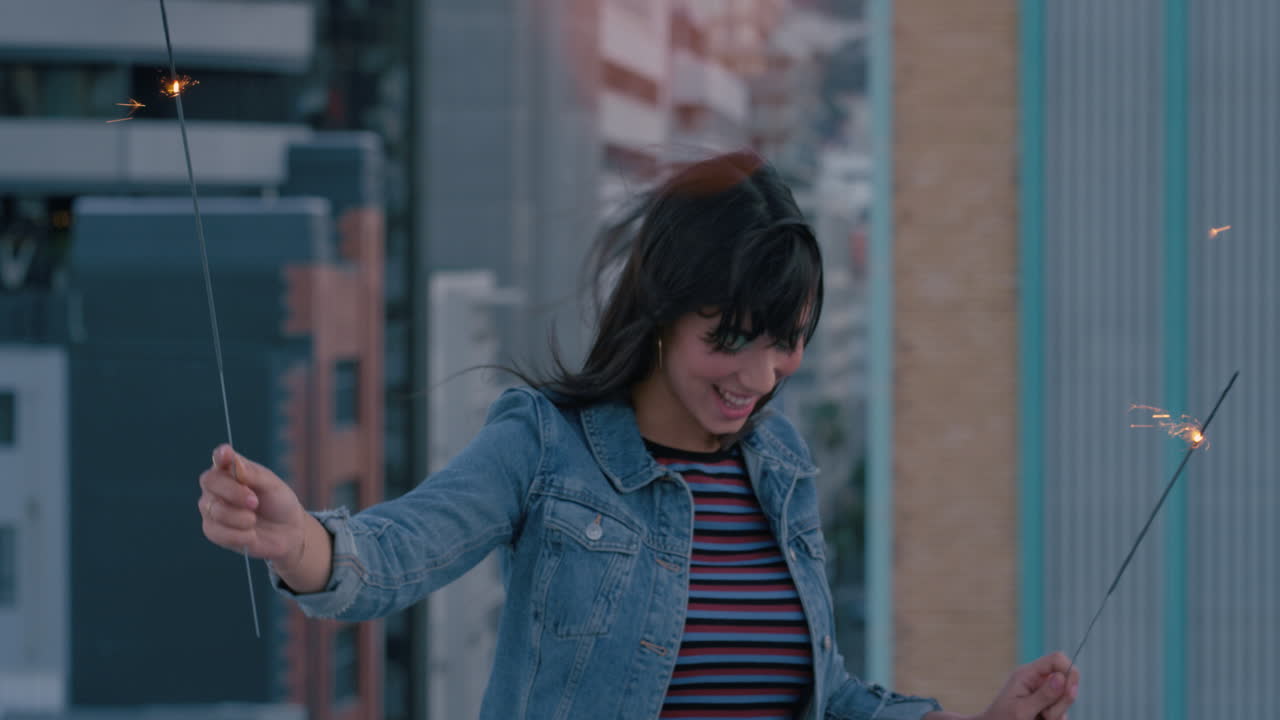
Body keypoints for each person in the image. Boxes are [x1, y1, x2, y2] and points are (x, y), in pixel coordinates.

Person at [199, 152, 1080, 720]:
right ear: (662, 310)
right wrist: (297, 540)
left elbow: (827, 698)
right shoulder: (546, 446)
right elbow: (391, 558)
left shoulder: (781, 467)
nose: (758, 376)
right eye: (729, 338)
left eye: (785, 341)